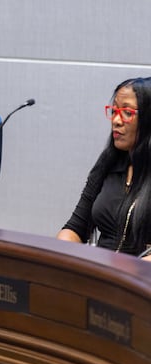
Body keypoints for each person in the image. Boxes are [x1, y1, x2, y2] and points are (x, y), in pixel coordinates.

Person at [57, 77, 151, 259]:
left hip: (140, 281)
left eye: (127, 113)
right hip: (101, 276)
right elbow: (75, 227)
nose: (116, 120)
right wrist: (58, 256)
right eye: (114, 111)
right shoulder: (109, 162)